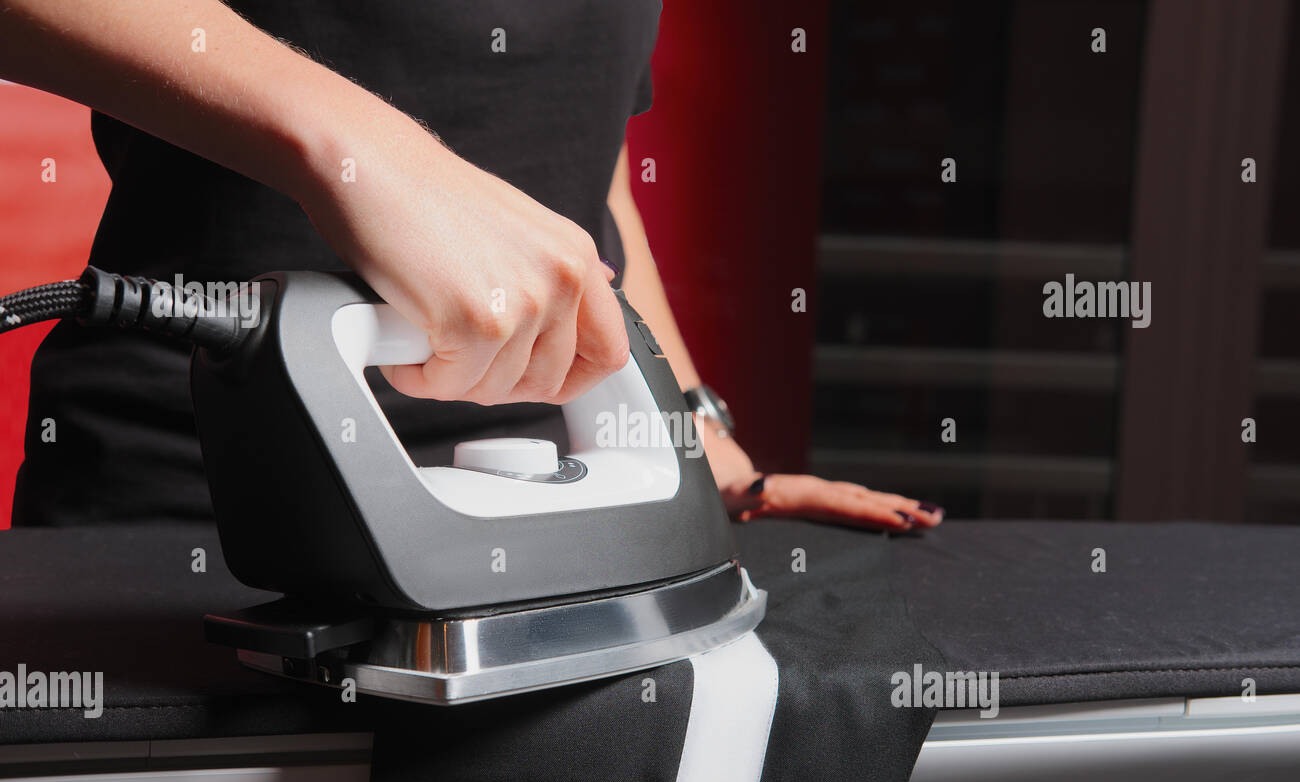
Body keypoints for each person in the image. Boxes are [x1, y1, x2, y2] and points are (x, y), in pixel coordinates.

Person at [0, 0, 943, 532]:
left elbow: (581, 192)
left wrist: (701, 447)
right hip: (208, 487)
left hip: (562, 494)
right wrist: (364, 153)